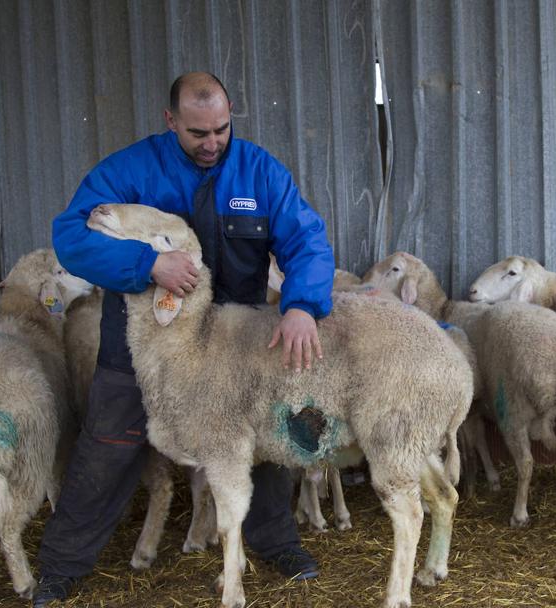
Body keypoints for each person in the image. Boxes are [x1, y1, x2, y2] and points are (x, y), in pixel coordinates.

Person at [32, 72, 335, 606]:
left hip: (233, 342)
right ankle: (62, 565)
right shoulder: (132, 171)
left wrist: (303, 305)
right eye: (198, 133)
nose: (212, 142)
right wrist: (145, 263)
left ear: (230, 113)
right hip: (143, 341)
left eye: (221, 129)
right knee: (109, 440)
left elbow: (306, 238)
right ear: (171, 121)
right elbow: (72, 234)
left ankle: (275, 542)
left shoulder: (259, 172)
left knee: (257, 440)